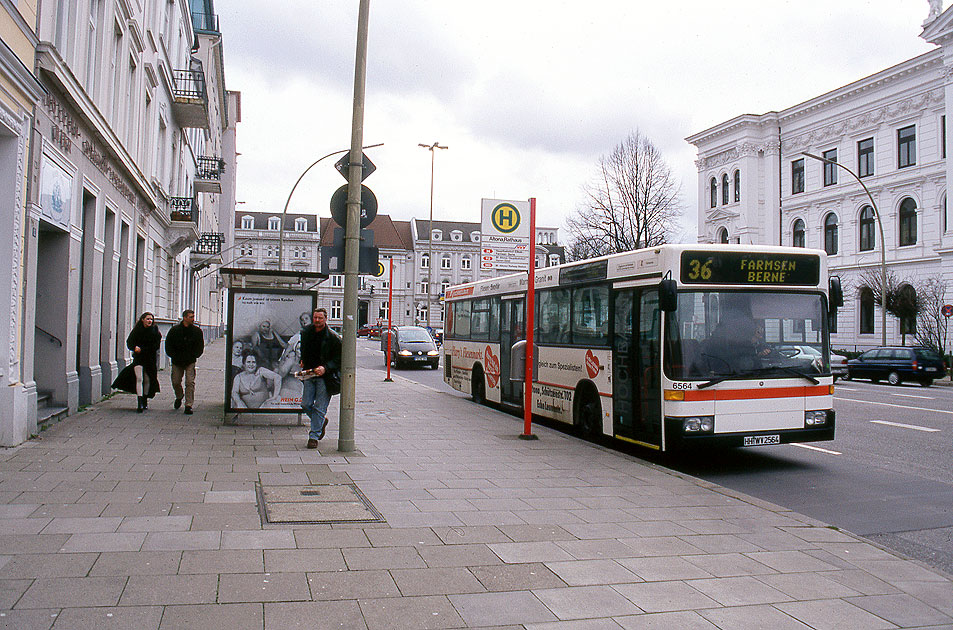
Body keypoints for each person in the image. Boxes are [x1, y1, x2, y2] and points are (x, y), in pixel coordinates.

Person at [299, 307, 342, 448]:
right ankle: (321, 421)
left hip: (325, 377)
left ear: (325, 319)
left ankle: (314, 437)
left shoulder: (333, 337)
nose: (317, 320)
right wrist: (303, 360)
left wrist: (326, 367)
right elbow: (304, 349)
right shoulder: (306, 333)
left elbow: (340, 358)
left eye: (320, 318)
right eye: (315, 318)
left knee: (319, 407)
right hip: (309, 373)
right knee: (305, 404)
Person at [111, 312, 162, 412]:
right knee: (139, 378)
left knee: (147, 379)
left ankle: (145, 399)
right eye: (147, 319)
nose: (149, 321)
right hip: (139, 358)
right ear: (142, 319)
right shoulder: (137, 330)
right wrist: (134, 348)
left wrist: (142, 349)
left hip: (150, 359)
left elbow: (156, 346)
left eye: (151, 319)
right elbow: (129, 342)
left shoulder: (155, 331)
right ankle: (139, 403)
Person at [165, 309, 204, 415]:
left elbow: (200, 346)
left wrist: (195, 355)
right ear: (185, 317)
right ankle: (179, 396)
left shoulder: (197, 331)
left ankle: (188, 405)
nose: (193, 319)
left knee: (190, 382)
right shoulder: (175, 330)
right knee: (176, 381)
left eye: (193, 316)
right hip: (177, 360)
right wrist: (172, 354)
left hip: (190, 360)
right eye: (191, 317)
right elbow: (168, 344)